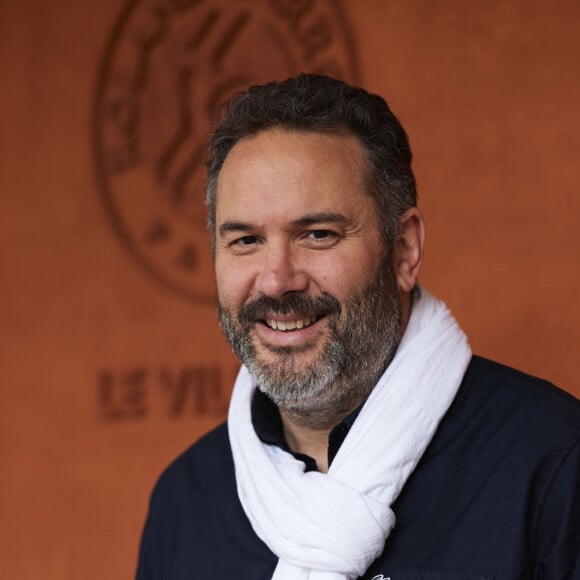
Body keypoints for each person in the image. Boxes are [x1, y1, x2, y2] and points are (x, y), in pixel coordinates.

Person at [136, 74, 580, 580]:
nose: (278, 280)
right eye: (245, 241)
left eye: (318, 234)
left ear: (404, 250)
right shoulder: (184, 501)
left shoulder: (553, 463)